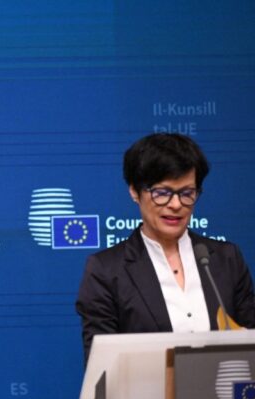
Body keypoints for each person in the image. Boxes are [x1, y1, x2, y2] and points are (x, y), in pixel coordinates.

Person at [76, 133, 255, 362]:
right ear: (134, 191)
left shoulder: (226, 258)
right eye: (162, 193)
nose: (176, 204)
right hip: (145, 396)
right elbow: (101, 366)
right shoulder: (106, 270)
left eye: (187, 193)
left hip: (220, 394)